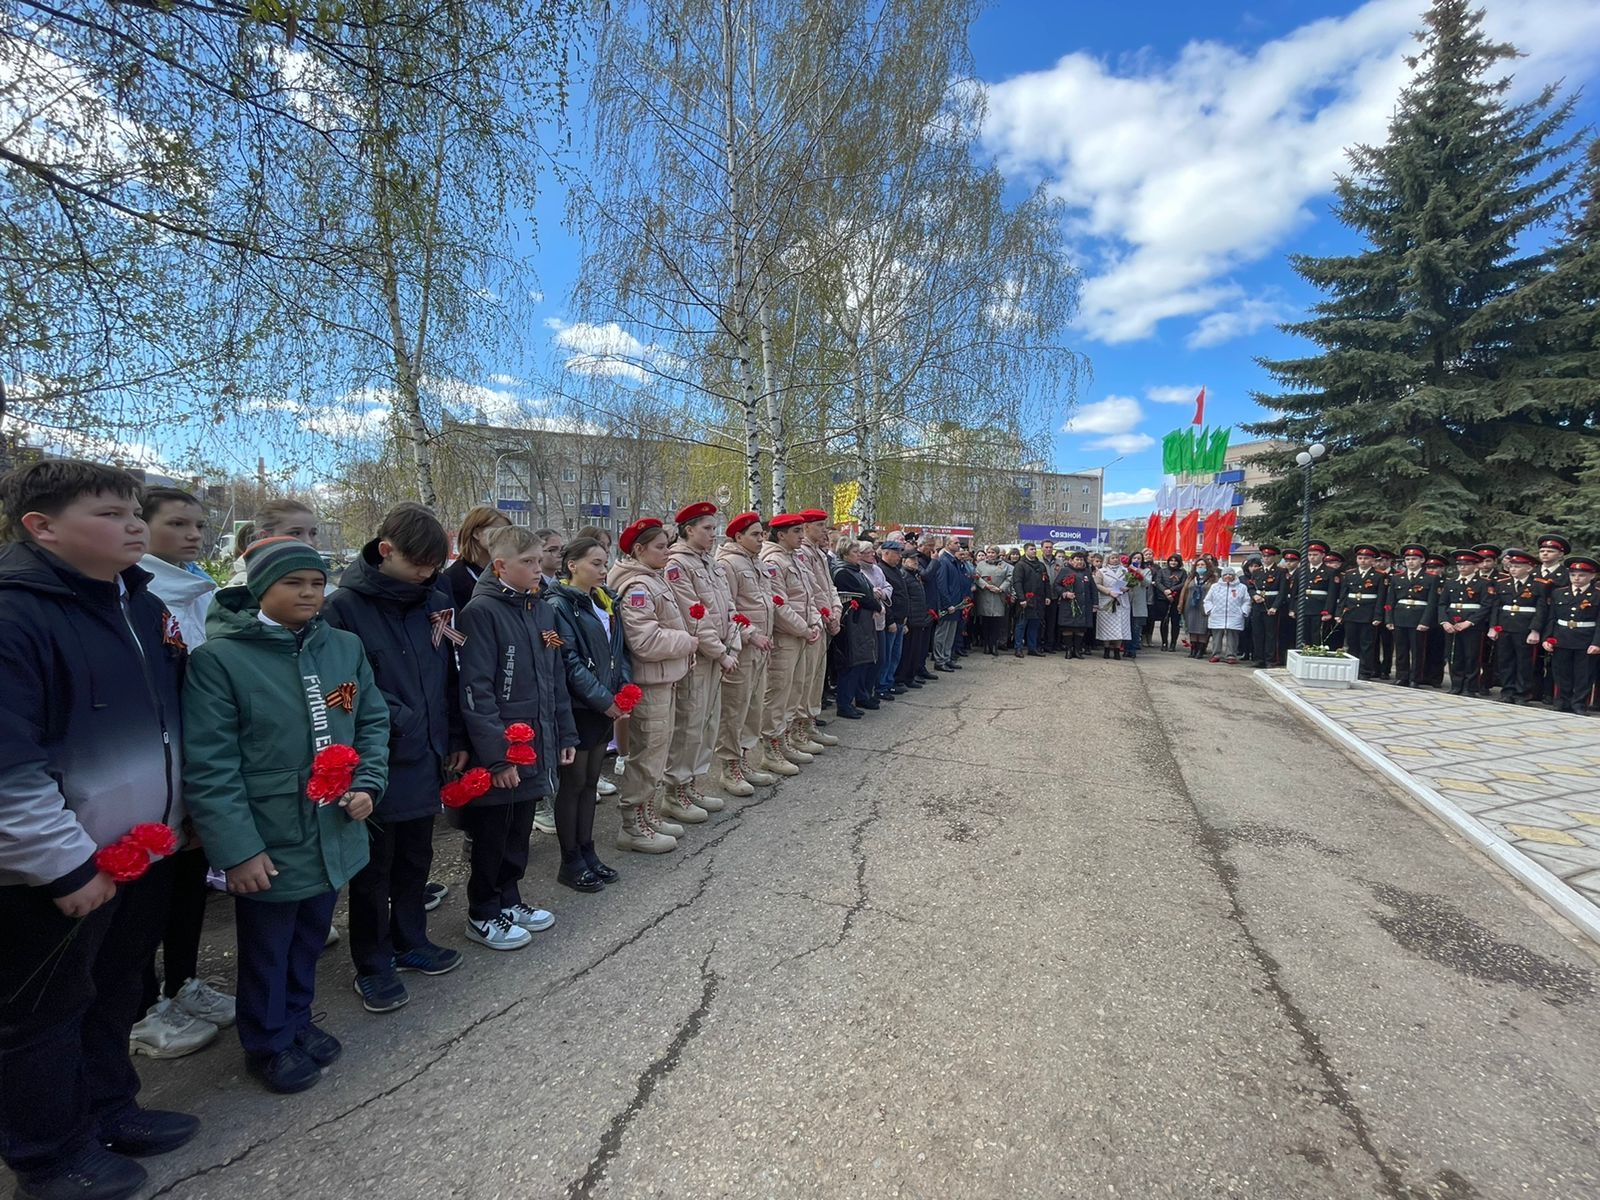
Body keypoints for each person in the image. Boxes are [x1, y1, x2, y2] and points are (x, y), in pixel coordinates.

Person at [0, 461, 199, 1200]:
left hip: (141, 850)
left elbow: (168, 726)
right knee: (40, 1018)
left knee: (115, 988)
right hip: (52, 872)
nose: (134, 526)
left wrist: (182, 819)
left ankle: (111, 1110)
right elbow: (8, 764)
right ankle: (49, 1158)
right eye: (110, 514)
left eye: (133, 513)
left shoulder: (138, 604)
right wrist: (63, 865)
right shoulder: (16, 613)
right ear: (42, 527)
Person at [183, 536, 388, 1093]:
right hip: (269, 834)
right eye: (292, 583)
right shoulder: (219, 660)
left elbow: (371, 721)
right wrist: (238, 850)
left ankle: (297, 1022)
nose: (308, 593)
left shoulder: (343, 646)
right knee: (269, 945)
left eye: (317, 583)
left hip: (333, 825)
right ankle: (267, 1042)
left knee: (311, 934)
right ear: (259, 588)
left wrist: (369, 784)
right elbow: (211, 764)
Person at [322, 504, 465, 1015]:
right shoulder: (344, 607)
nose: (428, 573)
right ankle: (373, 962)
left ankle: (411, 941)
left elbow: (447, 667)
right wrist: (405, 721)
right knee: (374, 869)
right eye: (419, 563)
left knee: (415, 857)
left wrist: (450, 731)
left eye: (434, 564)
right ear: (386, 552)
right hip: (380, 758)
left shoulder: (433, 597)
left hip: (429, 749)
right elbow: (352, 686)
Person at [130, 487, 233, 1059]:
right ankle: (142, 1009)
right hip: (156, 770)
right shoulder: (142, 596)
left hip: (195, 762)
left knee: (187, 885)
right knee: (146, 897)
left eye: (198, 524)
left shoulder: (195, 590)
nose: (194, 534)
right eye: (178, 524)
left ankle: (183, 982)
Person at [455, 525, 576, 948]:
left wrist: (564, 731)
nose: (538, 567)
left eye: (539, 558)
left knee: (520, 826)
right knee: (494, 831)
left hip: (538, 738)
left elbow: (555, 672)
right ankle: (482, 911)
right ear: (501, 565)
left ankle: (509, 898)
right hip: (505, 747)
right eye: (527, 562)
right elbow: (476, 690)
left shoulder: (541, 609)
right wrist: (498, 756)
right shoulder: (481, 612)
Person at [545, 537, 630, 889]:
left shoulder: (603, 599)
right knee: (574, 784)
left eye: (604, 562)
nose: (603, 569)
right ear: (572, 565)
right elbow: (569, 662)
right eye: (595, 563)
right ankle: (570, 860)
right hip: (581, 707)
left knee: (591, 780)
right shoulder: (559, 604)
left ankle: (588, 850)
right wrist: (603, 699)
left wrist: (623, 690)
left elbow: (618, 650)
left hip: (603, 704)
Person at [609, 518, 697, 847]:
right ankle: (631, 826)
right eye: (660, 547)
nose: (668, 552)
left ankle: (648, 815)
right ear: (639, 550)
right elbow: (645, 642)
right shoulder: (638, 587)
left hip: (663, 679)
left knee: (656, 753)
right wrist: (687, 641)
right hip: (650, 683)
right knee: (647, 756)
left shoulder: (651, 579)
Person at [663, 503, 741, 821]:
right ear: (688, 529)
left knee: (708, 723)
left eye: (714, 527)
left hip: (719, 653)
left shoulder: (710, 563)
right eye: (707, 528)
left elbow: (729, 608)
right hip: (700, 657)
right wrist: (720, 652)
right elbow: (693, 615)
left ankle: (691, 783)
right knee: (689, 724)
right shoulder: (676, 564)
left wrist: (732, 645)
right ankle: (674, 791)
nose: (713, 534)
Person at [713, 513, 779, 795]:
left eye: (761, 534)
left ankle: (744, 759)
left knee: (753, 707)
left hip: (761, 646)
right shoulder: (729, 565)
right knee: (735, 708)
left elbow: (765, 602)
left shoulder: (757, 562)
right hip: (742, 647)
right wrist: (750, 634)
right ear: (738, 537)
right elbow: (729, 610)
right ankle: (729, 767)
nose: (761, 538)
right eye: (754, 534)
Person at [758, 515, 817, 771]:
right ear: (780, 535)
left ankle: (785, 741)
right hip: (785, 637)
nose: (801, 536)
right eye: (796, 531)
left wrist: (814, 622)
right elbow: (779, 605)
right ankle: (770, 751)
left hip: (801, 634)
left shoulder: (795, 558)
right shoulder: (773, 561)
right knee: (778, 694)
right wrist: (804, 629)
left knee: (795, 690)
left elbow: (809, 595)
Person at [795, 511, 842, 752]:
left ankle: (810, 723)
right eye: (820, 525)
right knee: (805, 680)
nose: (825, 530)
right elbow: (811, 591)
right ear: (806, 527)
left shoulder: (818, 553)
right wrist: (826, 614)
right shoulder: (802, 552)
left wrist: (836, 609)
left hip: (824, 619)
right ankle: (799, 730)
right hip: (814, 621)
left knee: (815, 677)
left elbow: (829, 586)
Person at [1487, 549, 1548, 704]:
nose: (1513, 569)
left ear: (1529, 568)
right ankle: (1507, 691)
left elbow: (1541, 610)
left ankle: (1522, 693)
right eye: (1511, 566)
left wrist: (1535, 630)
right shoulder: (1502, 584)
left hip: (1524, 628)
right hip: (1505, 626)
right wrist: (1493, 627)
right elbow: (1496, 607)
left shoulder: (1539, 585)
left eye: (1517, 566)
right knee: (1505, 661)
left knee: (1524, 662)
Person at [830, 540, 883, 718]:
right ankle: (844, 704)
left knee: (861, 662)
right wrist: (876, 605)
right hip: (851, 623)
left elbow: (867, 593)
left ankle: (858, 696)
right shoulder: (843, 573)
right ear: (845, 554)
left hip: (861, 623)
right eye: (855, 552)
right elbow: (859, 596)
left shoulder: (855, 570)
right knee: (850, 664)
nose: (859, 555)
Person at [1542, 554, 1600, 715]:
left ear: (1592, 576)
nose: (1577, 578)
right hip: (1562, 637)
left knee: (1584, 674)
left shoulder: (1597, 595)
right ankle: (1562, 701)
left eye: (1582, 575)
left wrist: (1597, 643)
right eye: (1573, 575)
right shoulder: (1559, 593)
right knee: (1562, 672)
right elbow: (1552, 618)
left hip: (1585, 638)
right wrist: (1548, 638)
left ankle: (1579, 703)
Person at [1439, 549, 1493, 696]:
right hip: (1452, 623)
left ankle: (1470, 687)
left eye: (1467, 564)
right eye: (1459, 564)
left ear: (1476, 566)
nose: (1462, 567)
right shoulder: (1450, 583)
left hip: (1472, 625)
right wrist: (1444, 622)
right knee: (1454, 655)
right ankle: (1456, 684)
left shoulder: (1483, 583)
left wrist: (1469, 622)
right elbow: (1442, 604)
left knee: (1472, 655)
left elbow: (1486, 605)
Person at [1385, 544, 1440, 688]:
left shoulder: (1431, 578)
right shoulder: (1397, 578)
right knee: (1401, 649)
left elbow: (1432, 603)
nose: (1410, 562)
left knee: (1418, 651)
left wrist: (1425, 621)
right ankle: (1401, 676)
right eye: (1407, 559)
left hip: (1418, 617)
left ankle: (1416, 678)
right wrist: (1389, 618)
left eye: (1414, 559)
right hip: (1400, 616)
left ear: (1422, 560)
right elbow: (1390, 601)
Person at [440, 505, 511, 614]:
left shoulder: (509, 573)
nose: (505, 537)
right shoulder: (453, 578)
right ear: (476, 533)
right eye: (498, 531)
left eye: (508, 532)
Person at [1337, 545, 1385, 679]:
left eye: (1366, 558)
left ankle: (1365, 671)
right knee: (1352, 643)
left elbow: (1381, 598)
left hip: (1368, 614)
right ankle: (1352, 668)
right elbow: (1343, 596)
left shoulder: (1379, 576)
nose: (1363, 560)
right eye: (1360, 558)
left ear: (1372, 560)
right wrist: (1339, 613)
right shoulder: (1349, 574)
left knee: (1367, 644)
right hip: (1351, 612)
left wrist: (1378, 615)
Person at [895, 546, 936, 689]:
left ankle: (910, 676)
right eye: (912, 559)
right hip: (911, 620)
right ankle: (902, 678)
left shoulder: (914, 574)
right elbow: (905, 599)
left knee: (915, 651)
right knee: (907, 652)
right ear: (904, 560)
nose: (915, 561)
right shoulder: (904, 575)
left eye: (916, 559)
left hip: (918, 618)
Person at [876, 539, 912, 690]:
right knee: (887, 656)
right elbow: (885, 600)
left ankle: (889, 682)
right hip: (890, 620)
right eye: (896, 553)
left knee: (895, 655)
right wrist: (890, 620)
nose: (899, 556)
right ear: (886, 553)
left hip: (900, 619)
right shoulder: (881, 570)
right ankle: (882, 686)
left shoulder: (896, 569)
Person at [928, 538, 968, 671]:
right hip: (948, 604)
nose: (958, 545)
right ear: (948, 544)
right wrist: (947, 603)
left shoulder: (953, 561)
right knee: (943, 633)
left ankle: (946, 657)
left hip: (956, 603)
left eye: (958, 543)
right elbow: (941, 584)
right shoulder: (944, 561)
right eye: (955, 543)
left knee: (951, 633)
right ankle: (940, 660)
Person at [1203, 565, 1252, 663]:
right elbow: (1207, 600)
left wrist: (1243, 611)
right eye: (1225, 574)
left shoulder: (1241, 587)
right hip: (1217, 615)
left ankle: (1231, 655)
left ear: (1234, 575)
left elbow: (1247, 601)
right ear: (1222, 576)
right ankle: (1216, 654)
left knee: (1232, 637)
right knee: (1216, 637)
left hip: (1235, 615)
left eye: (1230, 574)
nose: (1228, 576)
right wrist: (1210, 610)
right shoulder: (1215, 587)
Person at [1055, 549, 1095, 659]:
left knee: (1080, 628)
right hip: (1069, 604)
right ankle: (1069, 649)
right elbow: (1057, 585)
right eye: (1077, 559)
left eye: (1081, 560)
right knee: (1068, 627)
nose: (1080, 562)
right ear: (1071, 561)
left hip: (1084, 605)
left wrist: (1095, 604)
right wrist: (1065, 593)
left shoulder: (1087, 571)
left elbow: (1093, 588)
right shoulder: (1065, 570)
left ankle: (1077, 650)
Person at [1011, 543, 1049, 658]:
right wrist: (1021, 598)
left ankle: (1032, 648)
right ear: (1025, 551)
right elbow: (1017, 582)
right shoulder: (1020, 565)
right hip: (1026, 599)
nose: (1034, 551)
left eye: (1035, 549)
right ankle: (1018, 648)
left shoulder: (1041, 565)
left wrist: (1048, 596)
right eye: (1031, 549)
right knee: (1021, 624)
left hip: (1039, 600)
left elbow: (1046, 581)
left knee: (1035, 624)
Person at [972, 547, 1011, 656]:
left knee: (996, 623)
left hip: (998, 596)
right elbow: (976, 576)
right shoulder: (981, 565)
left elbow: (1009, 578)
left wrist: (1001, 588)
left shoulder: (1004, 565)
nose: (990, 554)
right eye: (988, 552)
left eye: (993, 552)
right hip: (985, 595)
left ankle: (994, 645)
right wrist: (986, 586)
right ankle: (986, 645)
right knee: (985, 622)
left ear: (997, 554)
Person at [1093, 555, 1132, 659]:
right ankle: (1106, 649)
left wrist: (1127, 588)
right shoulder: (1102, 571)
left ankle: (1117, 650)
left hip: (1121, 600)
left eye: (1116, 558)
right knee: (1106, 626)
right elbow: (1097, 584)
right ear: (1108, 559)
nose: (1115, 559)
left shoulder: (1125, 570)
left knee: (1120, 626)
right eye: (1112, 558)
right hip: (1107, 599)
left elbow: (1131, 582)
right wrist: (1109, 591)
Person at [1180, 557, 1214, 658]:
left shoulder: (1212, 578)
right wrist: (1181, 603)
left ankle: (1200, 650)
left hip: (1204, 606)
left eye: (1202, 565)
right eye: (1198, 565)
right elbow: (1184, 590)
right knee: (1192, 627)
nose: (1200, 567)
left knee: (1203, 628)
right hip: (1191, 606)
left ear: (1207, 566)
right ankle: (1193, 649)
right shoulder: (1191, 577)